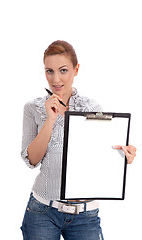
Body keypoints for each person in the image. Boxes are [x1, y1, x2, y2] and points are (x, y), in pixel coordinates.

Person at [20, 40, 136, 240]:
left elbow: (98, 157)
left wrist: (122, 157)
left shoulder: (91, 107)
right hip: (43, 212)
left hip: (85, 215)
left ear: (76, 70)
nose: (56, 79)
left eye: (63, 70)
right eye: (49, 71)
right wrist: (50, 119)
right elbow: (31, 160)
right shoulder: (33, 108)